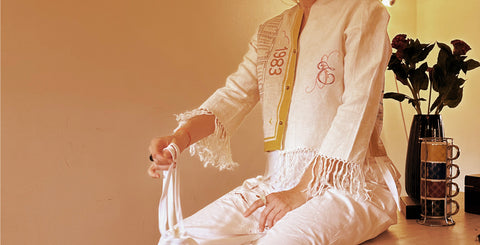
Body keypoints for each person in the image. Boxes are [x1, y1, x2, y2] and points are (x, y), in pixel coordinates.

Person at [148, 0, 401, 244]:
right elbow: (234, 96)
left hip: (352, 186)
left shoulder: (363, 10)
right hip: (277, 184)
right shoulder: (270, 32)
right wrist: (180, 138)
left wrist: (301, 192)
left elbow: (358, 105)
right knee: (178, 240)